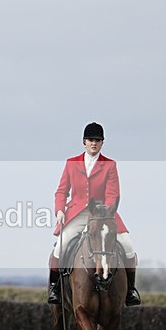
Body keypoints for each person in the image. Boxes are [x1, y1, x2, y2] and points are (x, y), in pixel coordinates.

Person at [47, 122, 141, 306]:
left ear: (102, 143)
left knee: (128, 246)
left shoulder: (110, 165)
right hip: (77, 214)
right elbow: (61, 191)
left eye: (97, 140)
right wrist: (59, 210)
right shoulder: (71, 163)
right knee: (61, 245)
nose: (94, 143)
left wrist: (104, 212)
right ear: (84, 142)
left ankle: (130, 290)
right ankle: (55, 288)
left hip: (104, 215)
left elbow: (113, 193)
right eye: (90, 140)